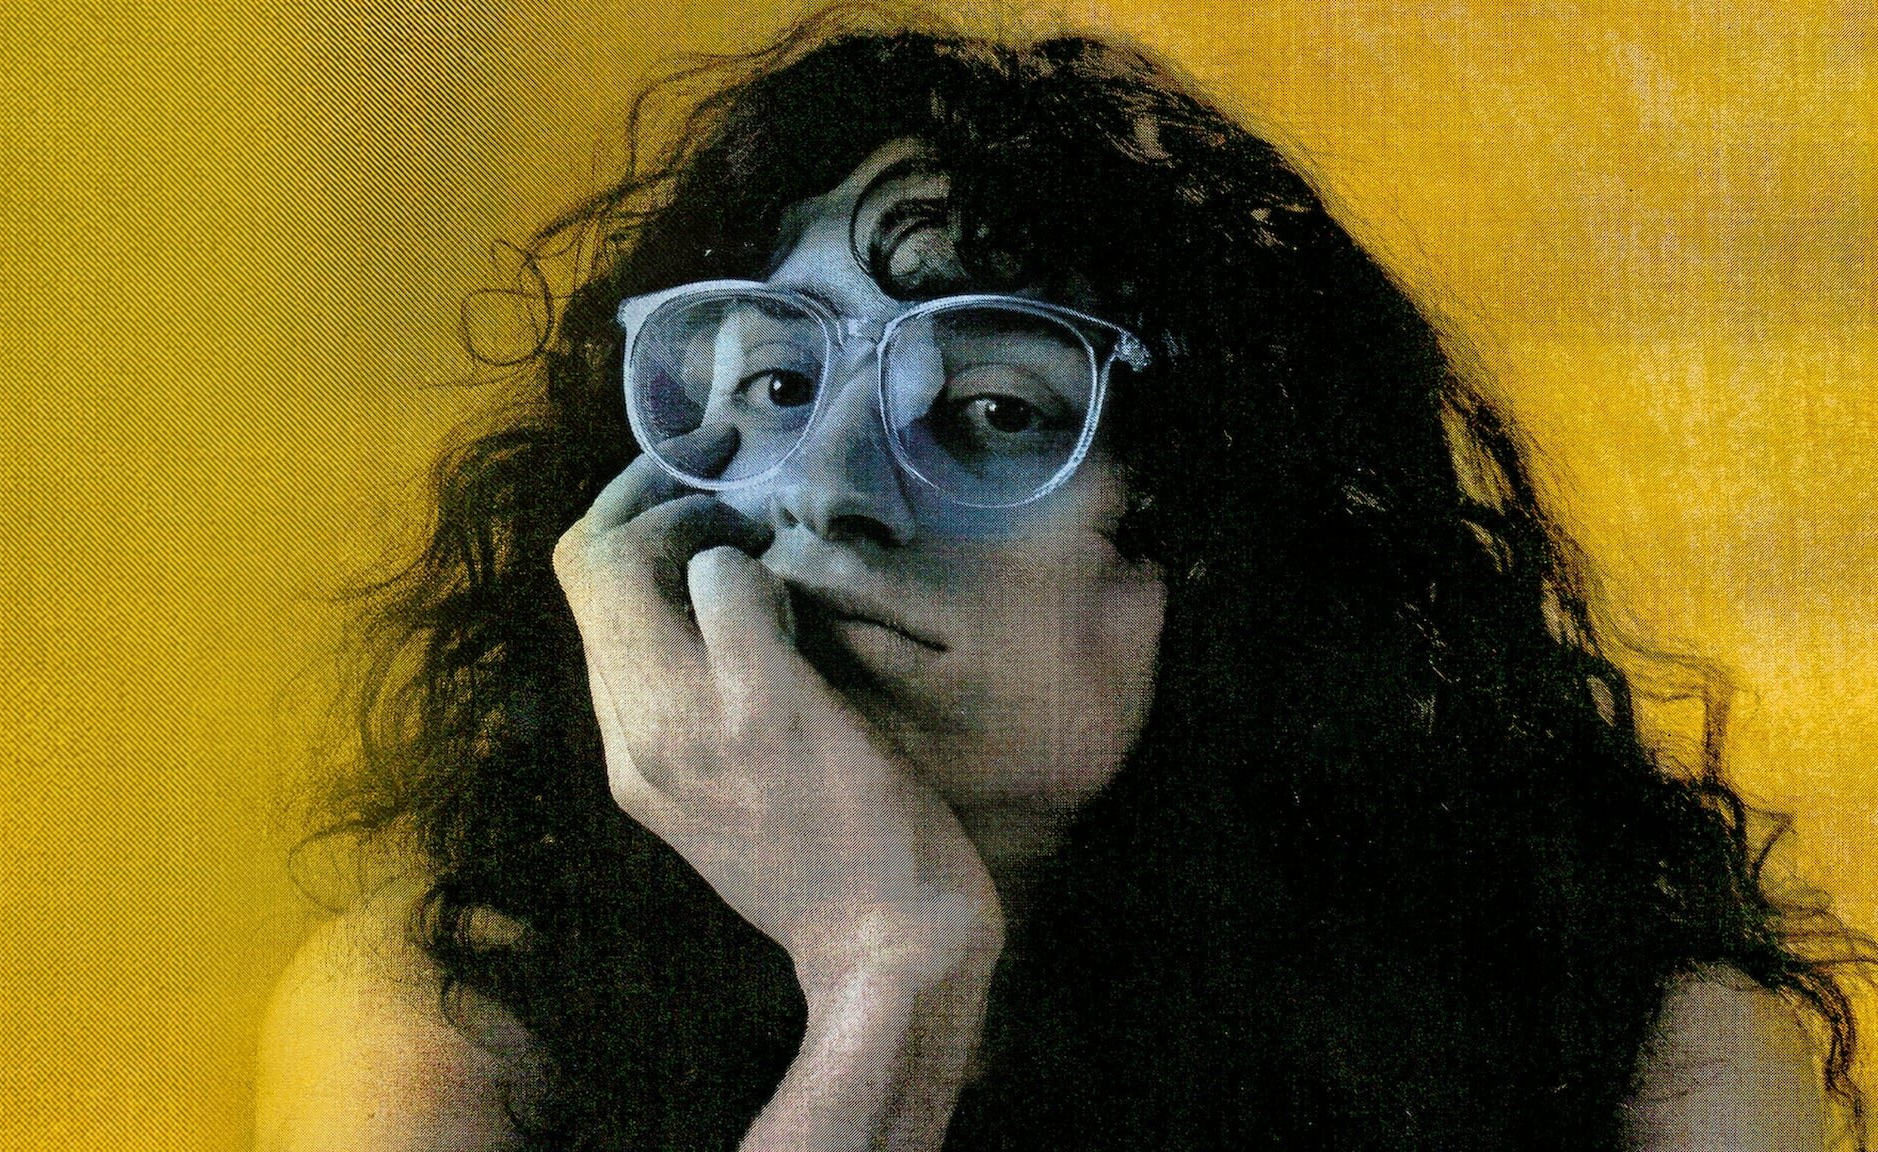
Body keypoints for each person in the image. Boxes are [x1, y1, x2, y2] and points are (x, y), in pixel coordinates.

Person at [256, 15, 1872, 1151]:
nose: (824, 491)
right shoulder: (458, 1019)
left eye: (992, 414)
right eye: (771, 387)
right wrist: (890, 981)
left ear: (1229, 548)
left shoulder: (1648, 1054)